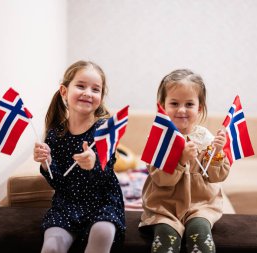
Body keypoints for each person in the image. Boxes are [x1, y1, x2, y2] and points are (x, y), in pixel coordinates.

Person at [33, 60, 125, 253]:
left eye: (95, 89)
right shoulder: (55, 134)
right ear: (64, 92)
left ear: (101, 96)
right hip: (67, 204)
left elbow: (107, 175)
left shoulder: (104, 131)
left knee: (103, 232)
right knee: (51, 247)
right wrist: (46, 163)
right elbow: (58, 182)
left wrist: (94, 164)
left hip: (102, 203)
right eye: (81, 86)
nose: (88, 93)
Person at [139, 69, 230, 253]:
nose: (181, 110)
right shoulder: (159, 139)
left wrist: (217, 152)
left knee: (200, 231)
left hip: (200, 205)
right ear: (163, 107)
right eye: (174, 103)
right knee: (165, 235)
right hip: (164, 207)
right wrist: (181, 159)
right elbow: (162, 179)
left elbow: (216, 177)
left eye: (189, 104)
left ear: (200, 108)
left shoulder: (205, 138)